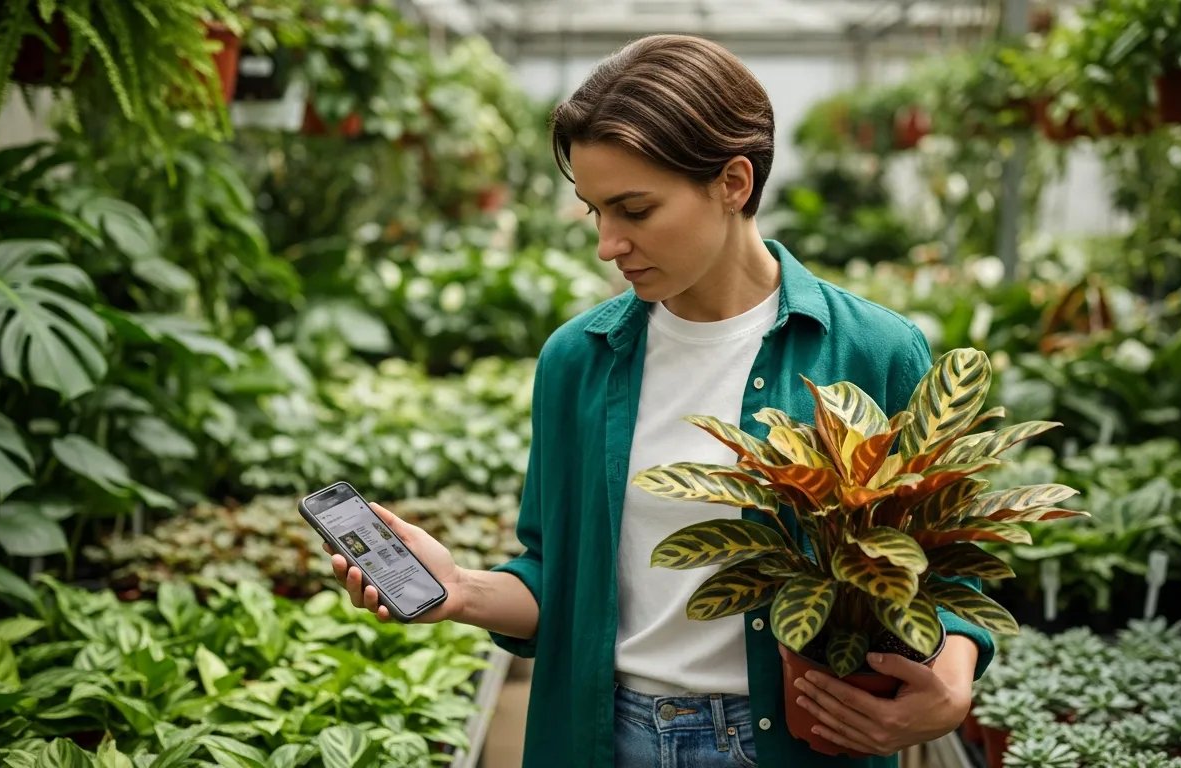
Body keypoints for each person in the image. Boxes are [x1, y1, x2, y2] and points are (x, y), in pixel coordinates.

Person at [327, 33, 994, 767]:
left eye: (634, 209)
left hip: (803, 745)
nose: (608, 245)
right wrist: (459, 590)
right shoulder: (577, 361)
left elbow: (947, 570)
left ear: (734, 183)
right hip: (606, 739)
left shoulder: (872, 351)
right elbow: (554, 578)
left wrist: (953, 681)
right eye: (593, 212)